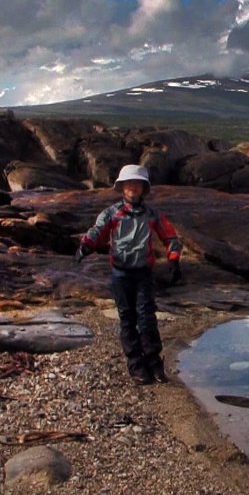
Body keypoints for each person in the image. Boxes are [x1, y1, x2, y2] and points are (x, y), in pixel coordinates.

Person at [76, 164, 182, 385]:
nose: (132, 187)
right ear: (122, 187)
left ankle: (154, 364)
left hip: (144, 274)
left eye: (137, 183)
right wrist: (86, 245)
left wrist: (173, 260)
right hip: (120, 274)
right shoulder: (112, 214)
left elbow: (170, 237)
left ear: (143, 188)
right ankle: (136, 366)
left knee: (147, 318)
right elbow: (97, 232)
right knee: (127, 319)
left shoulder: (152, 215)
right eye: (128, 183)